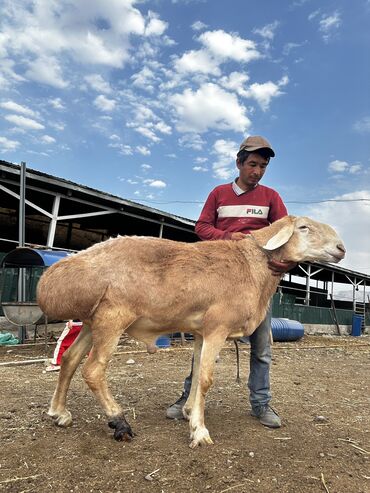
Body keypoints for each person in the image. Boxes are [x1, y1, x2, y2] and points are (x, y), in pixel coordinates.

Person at [166, 135, 296, 428]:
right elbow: (202, 227)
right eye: (252, 164)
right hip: (220, 280)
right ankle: (188, 398)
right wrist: (228, 237)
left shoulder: (271, 198)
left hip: (257, 281)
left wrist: (283, 262)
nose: (257, 171)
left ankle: (261, 404)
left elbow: (286, 234)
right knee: (204, 340)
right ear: (238, 163)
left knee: (261, 346)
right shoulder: (219, 194)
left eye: (263, 166)